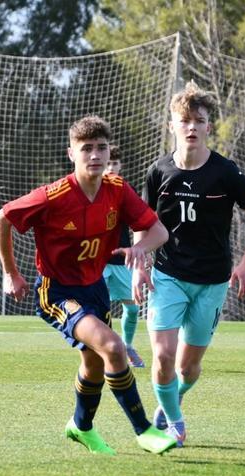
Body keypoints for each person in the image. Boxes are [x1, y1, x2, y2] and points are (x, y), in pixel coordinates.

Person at [0, 115, 177, 456]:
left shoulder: (117, 190)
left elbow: (160, 233)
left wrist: (139, 248)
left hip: (95, 290)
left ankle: (81, 427)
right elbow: (1, 218)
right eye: (87, 148)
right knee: (114, 347)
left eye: (101, 148)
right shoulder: (53, 196)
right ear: (71, 154)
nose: (95, 155)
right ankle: (144, 430)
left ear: (110, 153)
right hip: (57, 292)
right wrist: (10, 273)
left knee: (94, 363)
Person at [135, 81, 245, 447]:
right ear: (172, 126)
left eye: (200, 120)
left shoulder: (225, 172)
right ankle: (174, 423)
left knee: (187, 368)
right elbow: (142, 220)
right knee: (162, 356)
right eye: (185, 120)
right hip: (168, 276)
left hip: (212, 281)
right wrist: (139, 264)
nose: (192, 127)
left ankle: (172, 401)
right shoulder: (158, 171)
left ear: (209, 127)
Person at [101, 144, 145, 368]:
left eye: (114, 164)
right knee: (99, 307)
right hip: (97, 261)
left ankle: (127, 346)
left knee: (133, 307)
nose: (110, 167)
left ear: (121, 166)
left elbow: (140, 224)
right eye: (107, 163)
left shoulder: (127, 192)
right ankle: (104, 349)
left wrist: (140, 257)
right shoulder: (91, 189)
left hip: (121, 260)